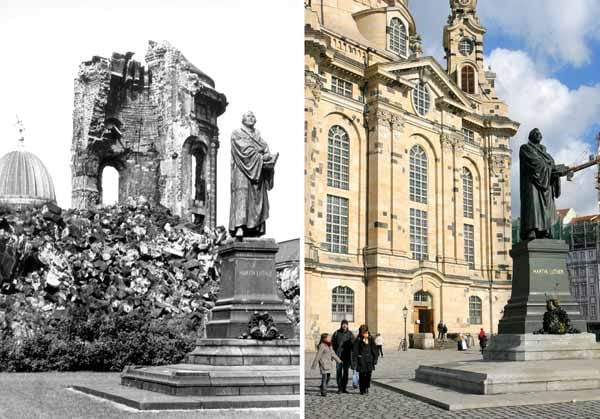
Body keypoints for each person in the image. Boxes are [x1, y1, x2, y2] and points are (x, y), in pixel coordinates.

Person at [228, 111, 279, 239]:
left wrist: (269, 158)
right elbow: (244, 150)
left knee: (257, 199)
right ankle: (240, 227)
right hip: (242, 171)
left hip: (258, 171)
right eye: (248, 116)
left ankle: (255, 228)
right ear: (242, 119)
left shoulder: (259, 137)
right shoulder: (236, 134)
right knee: (242, 197)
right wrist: (262, 157)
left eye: (253, 116)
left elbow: (266, 150)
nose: (251, 118)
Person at [519, 128, 569, 241]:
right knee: (533, 206)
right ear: (530, 136)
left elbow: (551, 165)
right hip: (533, 183)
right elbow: (535, 163)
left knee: (547, 208)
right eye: (535, 133)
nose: (538, 135)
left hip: (547, 186)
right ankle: (532, 229)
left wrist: (559, 171)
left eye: (539, 134)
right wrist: (554, 170)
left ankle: (545, 230)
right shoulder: (525, 148)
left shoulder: (546, 153)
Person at [351, 324, 379, 395]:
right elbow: (355, 350)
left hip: (369, 360)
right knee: (362, 375)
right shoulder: (358, 339)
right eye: (362, 330)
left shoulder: (370, 338)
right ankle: (362, 389)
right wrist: (354, 360)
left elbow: (374, 349)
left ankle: (366, 387)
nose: (363, 332)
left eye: (364, 330)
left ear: (366, 330)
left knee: (369, 375)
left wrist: (375, 358)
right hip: (361, 360)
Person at [332, 319, 354, 394]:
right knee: (338, 372)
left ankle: (344, 387)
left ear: (347, 325)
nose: (344, 325)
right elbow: (333, 343)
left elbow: (353, 344)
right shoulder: (336, 333)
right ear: (341, 325)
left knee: (346, 372)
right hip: (338, 356)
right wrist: (336, 351)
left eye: (346, 324)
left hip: (347, 356)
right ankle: (339, 388)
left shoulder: (350, 334)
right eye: (343, 324)